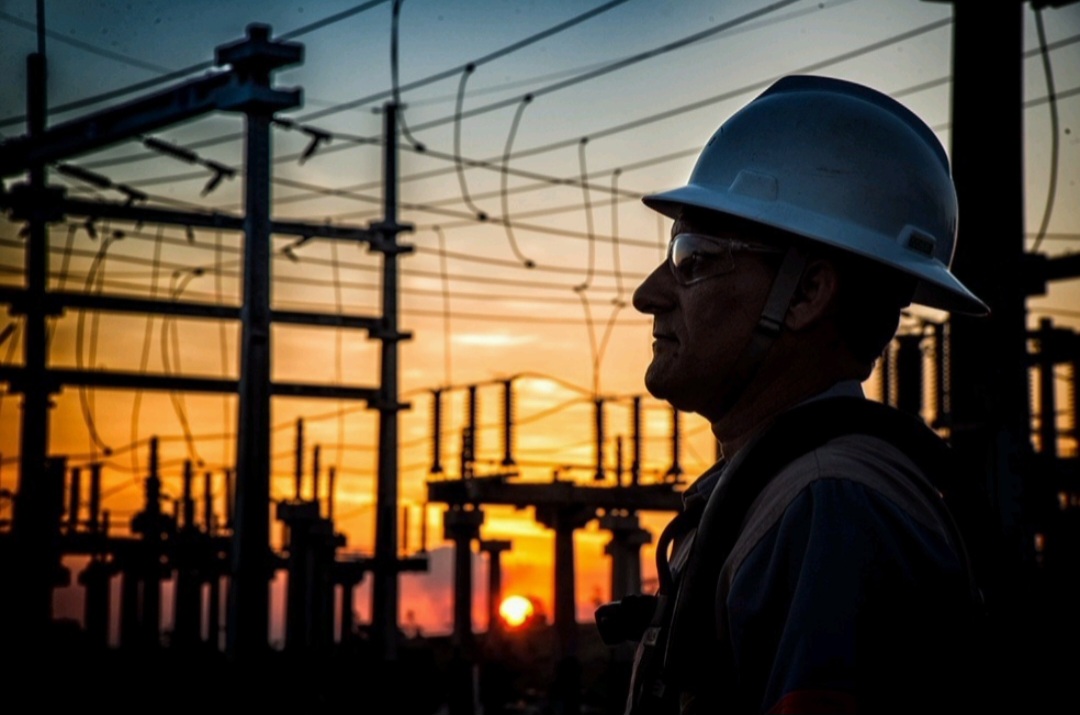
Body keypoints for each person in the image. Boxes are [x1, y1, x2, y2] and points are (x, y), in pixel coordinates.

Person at [595, 75, 994, 715]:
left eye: (692, 257)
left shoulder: (829, 508)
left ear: (808, 293)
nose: (649, 294)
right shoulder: (790, 493)